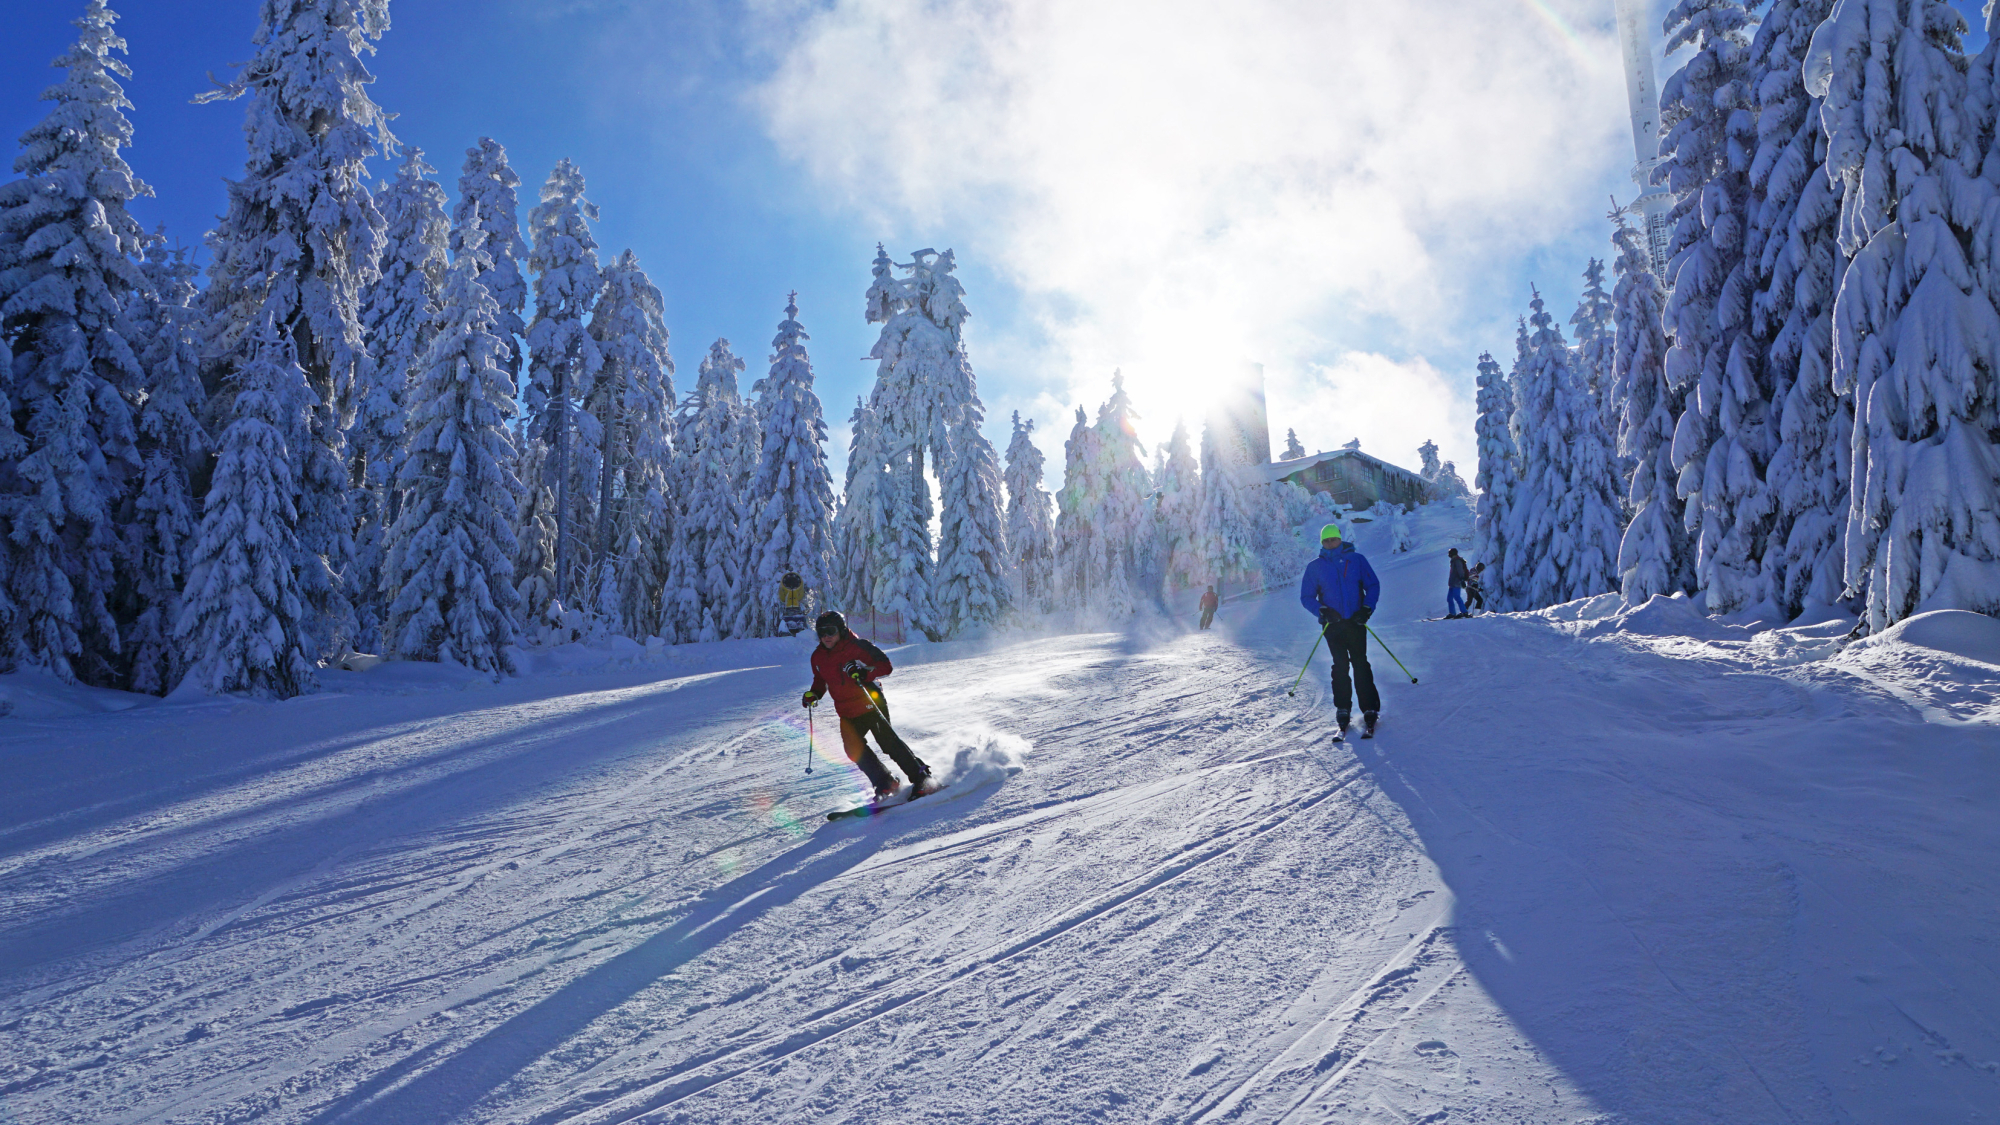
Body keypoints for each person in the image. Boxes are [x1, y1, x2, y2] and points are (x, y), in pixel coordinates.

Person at [802, 610, 934, 799]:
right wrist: (813, 694)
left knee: (887, 742)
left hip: (870, 701)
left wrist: (863, 673)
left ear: (840, 629)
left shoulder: (858, 647)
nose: (826, 637)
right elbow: (820, 681)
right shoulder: (818, 657)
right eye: (821, 633)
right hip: (846, 711)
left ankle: (923, 779)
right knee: (853, 749)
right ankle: (886, 783)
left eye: (830, 631)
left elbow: (886, 666)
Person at [1299, 522, 1382, 737]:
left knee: (1360, 663)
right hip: (1332, 625)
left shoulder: (1356, 560)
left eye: (1333, 539)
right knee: (1340, 666)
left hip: (1355, 622)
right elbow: (1306, 597)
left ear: (1339, 538)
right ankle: (1342, 708)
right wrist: (1322, 611)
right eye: (1325, 540)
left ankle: (1370, 707)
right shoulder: (1315, 566)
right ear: (1322, 543)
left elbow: (1373, 585)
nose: (1330, 543)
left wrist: (1366, 609)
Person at [1446, 548, 1469, 619]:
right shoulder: (1453, 561)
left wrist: (1462, 579)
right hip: (1452, 583)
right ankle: (1452, 613)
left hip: (1456, 582)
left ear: (1452, 553)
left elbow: (1460, 571)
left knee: (1457, 597)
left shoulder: (1457, 561)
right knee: (1449, 598)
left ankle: (1464, 612)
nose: (1448, 554)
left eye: (1449, 553)